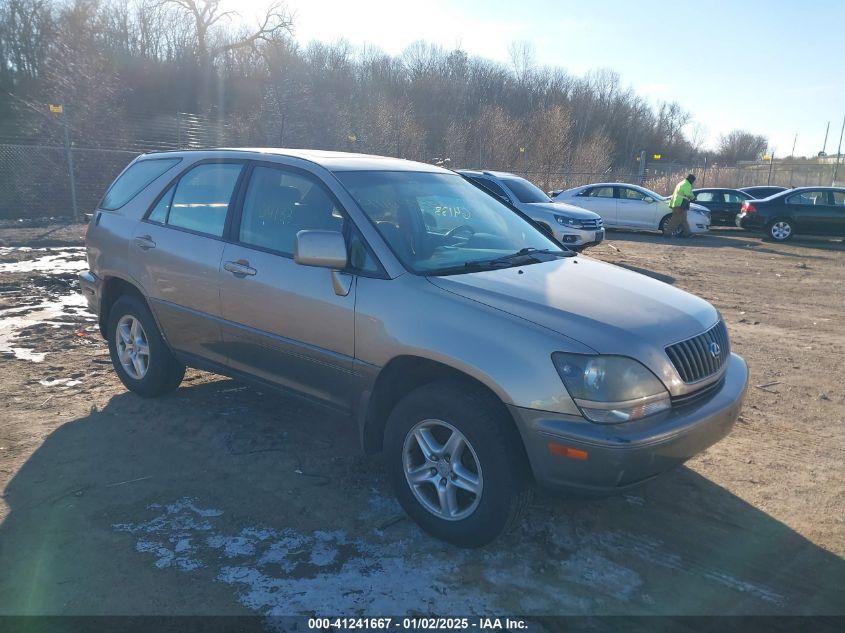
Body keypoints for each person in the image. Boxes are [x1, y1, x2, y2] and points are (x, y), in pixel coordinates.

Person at [664, 173, 696, 238]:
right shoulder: (687, 184)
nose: (693, 183)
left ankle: (688, 233)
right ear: (691, 180)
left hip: (676, 203)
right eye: (693, 181)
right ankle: (667, 233)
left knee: (683, 219)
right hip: (681, 204)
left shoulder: (681, 183)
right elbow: (688, 194)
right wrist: (693, 197)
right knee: (675, 219)